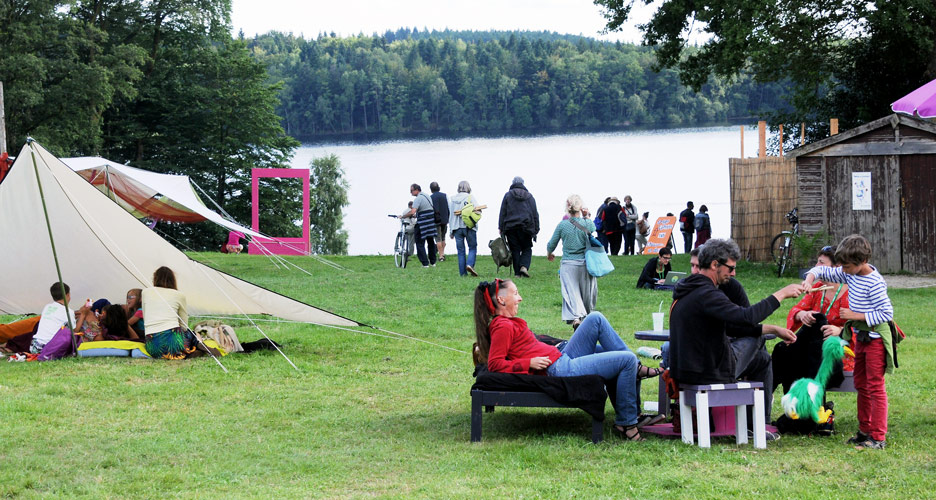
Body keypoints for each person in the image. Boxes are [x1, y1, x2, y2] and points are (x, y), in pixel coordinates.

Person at [474, 279, 658, 441]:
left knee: (595, 318)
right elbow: (495, 364)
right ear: (501, 300)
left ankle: (636, 371)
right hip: (561, 368)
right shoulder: (502, 326)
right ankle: (627, 422)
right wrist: (528, 363)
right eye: (515, 293)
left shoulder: (507, 322)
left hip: (562, 356)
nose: (520, 297)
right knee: (627, 360)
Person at [669, 239, 803, 440]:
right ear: (715, 265)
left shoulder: (688, 289)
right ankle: (758, 425)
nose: (733, 274)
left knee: (763, 361)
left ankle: (757, 425)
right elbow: (747, 318)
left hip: (687, 370)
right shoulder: (708, 294)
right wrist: (782, 294)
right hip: (708, 372)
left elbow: (732, 325)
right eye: (730, 268)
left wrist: (774, 329)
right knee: (757, 340)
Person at [801, 234, 895, 450]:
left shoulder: (874, 281)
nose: (842, 270)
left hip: (876, 339)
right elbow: (822, 271)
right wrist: (809, 279)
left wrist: (856, 315)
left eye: (847, 266)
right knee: (861, 384)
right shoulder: (850, 273)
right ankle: (864, 432)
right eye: (841, 265)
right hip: (861, 338)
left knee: (875, 387)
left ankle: (878, 437)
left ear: (861, 262)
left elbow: (886, 313)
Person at [772, 246, 852, 395]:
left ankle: (800, 404)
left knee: (797, 356)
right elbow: (796, 310)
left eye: (821, 263)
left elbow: (863, 325)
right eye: (817, 262)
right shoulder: (818, 288)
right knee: (782, 350)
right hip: (813, 346)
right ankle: (790, 401)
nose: (816, 267)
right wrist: (802, 315)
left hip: (841, 349)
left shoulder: (853, 292)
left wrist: (840, 330)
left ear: (837, 268)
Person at [546, 195, 596, 328]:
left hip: (568, 264)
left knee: (571, 293)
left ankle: (576, 318)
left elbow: (552, 244)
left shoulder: (562, 225)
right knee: (585, 294)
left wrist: (549, 253)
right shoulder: (586, 223)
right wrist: (587, 216)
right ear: (580, 207)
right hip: (584, 264)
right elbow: (593, 228)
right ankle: (583, 318)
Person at [142, 266, 199, 359]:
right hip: (174, 344)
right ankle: (197, 345)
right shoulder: (179, 295)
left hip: (152, 347)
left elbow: (146, 318)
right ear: (173, 280)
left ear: (155, 278)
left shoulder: (145, 292)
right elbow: (184, 325)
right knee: (193, 334)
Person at [498, 176, 539, 278]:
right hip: (526, 227)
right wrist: (536, 229)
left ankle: (517, 274)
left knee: (515, 249)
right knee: (527, 248)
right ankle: (524, 267)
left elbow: (502, 212)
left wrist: (501, 227)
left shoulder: (507, 196)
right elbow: (535, 214)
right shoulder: (530, 197)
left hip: (511, 227)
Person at [30, 282, 78, 354]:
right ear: (67, 295)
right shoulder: (68, 311)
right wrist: (83, 314)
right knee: (69, 333)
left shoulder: (47, 307)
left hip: (34, 347)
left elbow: (57, 317)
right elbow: (75, 331)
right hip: (50, 348)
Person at [449, 180, 480, 277]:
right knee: (472, 247)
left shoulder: (452, 199)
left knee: (461, 251)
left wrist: (451, 230)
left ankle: (463, 273)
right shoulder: (470, 197)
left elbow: (451, 215)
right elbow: (478, 210)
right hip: (469, 226)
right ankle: (470, 264)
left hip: (456, 227)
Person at [402, 184, 438, 267]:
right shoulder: (427, 196)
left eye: (411, 190)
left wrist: (403, 216)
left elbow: (412, 211)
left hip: (422, 224)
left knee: (419, 242)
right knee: (431, 241)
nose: (410, 193)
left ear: (417, 190)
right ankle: (433, 262)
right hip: (430, 222)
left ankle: (425, 263)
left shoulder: (418, 198)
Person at [429, 182, 450, 262]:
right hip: (445, 220)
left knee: (438, 238)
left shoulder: (431, 197)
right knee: (443, 237)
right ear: (439, 187)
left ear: (431, 189)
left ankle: (441, 256)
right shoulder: (444, 196)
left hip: (436, 220)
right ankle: (443, 254)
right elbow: (448, 207)